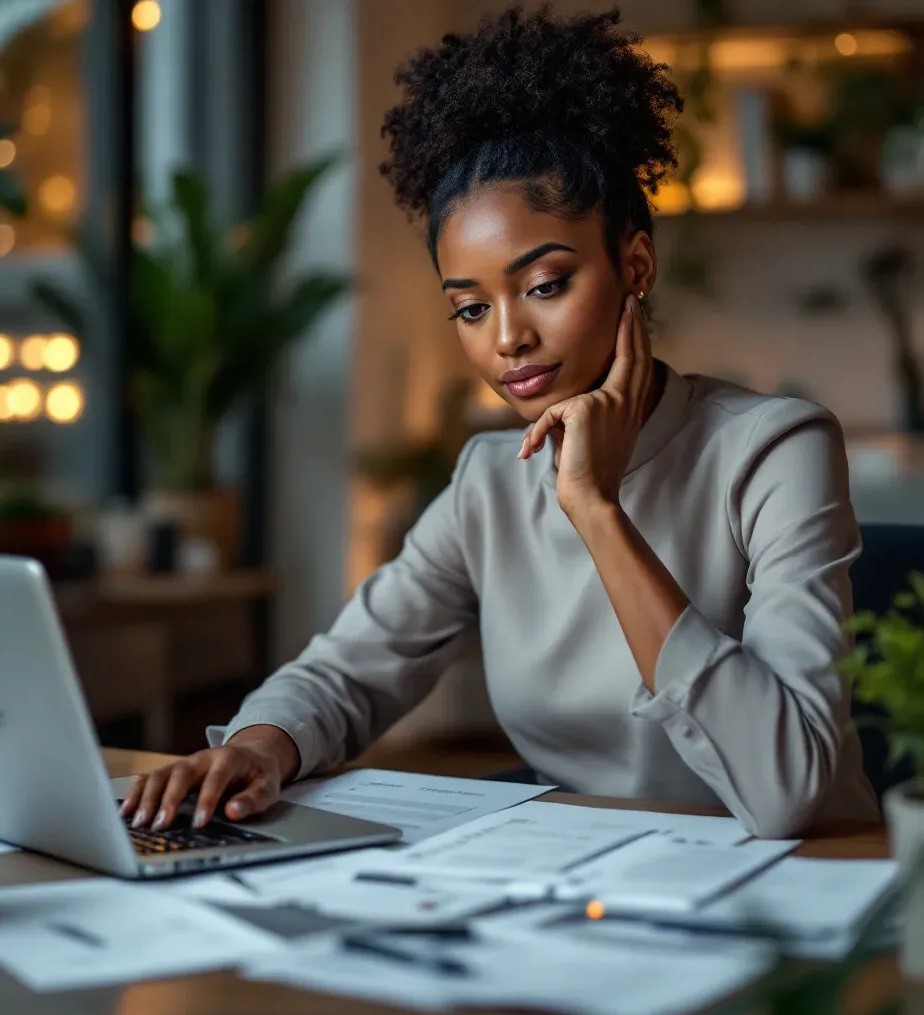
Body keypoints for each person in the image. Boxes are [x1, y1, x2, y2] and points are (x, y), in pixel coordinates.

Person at [122, 7, 878, 839]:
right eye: (472, 307)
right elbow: (348, 671)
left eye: (545, 284)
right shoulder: (490, 478)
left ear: (634, 263)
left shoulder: (774, 449)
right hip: (576, 879)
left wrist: (596, 510)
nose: (507, 336)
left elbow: (791, 790)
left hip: (797, 889)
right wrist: (259, 748)